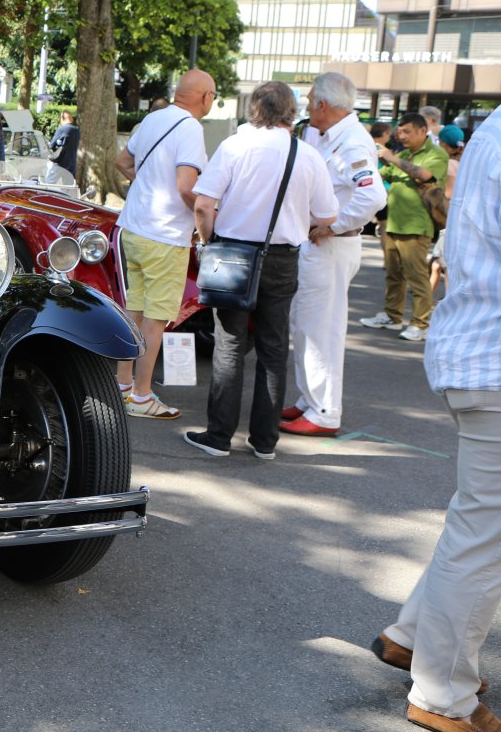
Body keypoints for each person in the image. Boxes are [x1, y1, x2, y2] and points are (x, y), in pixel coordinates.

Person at [368, 75, 501, 732]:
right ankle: (443, 692)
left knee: (481, 525)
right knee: (489, 538)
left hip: (488, 359)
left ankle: (413, 636)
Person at [184, 81, 336, 460]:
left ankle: (219, 436)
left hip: (233, 253)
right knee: (273, 347)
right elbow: (328, 214)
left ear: (254, 108)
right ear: (291, 111)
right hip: (283, 257)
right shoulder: (307, 154)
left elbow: (203, 204)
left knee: (230, 345)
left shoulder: (235, 145)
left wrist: (207, 241)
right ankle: (265, 441)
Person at [278, 73, 387, 439]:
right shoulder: (331, 136)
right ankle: (310, 400)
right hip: (321, 245)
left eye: (311, 102)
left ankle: (324, 411)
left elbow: (373, 196)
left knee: (320, 328)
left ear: (323, 105)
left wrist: (334, 225)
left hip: (331, 246)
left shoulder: (352, 142)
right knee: (306, 325)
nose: (308, 108)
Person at [112, 70, 216, 419]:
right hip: (165, 234)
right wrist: (203, 220)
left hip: (134, 226)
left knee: (134, 310)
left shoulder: (153, 119)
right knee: (156, 319)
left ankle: (123, 383)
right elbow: (187, 187)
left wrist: (147, 185)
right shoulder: (191, 128)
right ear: (205, 97)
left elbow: (122, 162)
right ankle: (142, 395)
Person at [359, 112, 448, 341]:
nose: (402, 136)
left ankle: (420, 324)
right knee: (394, 275)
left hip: (416, 226)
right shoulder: (404, 153)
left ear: (422, 130)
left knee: (417, 278)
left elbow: (424, 175)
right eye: (400, 132)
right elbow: (381, 175)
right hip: (394, 223)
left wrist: (392, 158)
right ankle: (392, 315)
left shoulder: (436, 154)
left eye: (407, 131)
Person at [426, 124, 464, 299]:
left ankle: (447, 302)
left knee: (443, 263)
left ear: (444, 144)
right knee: (437, 264)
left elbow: (448, 193)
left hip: (449, 218)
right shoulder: (462, 162)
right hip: (458, 218)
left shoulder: (449, 164)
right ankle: (428, 299)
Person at [49, 110, 80, 176]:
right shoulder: (77, 130)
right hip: (72, 164)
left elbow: (51, 145)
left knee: (49, 181)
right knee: (68, 182)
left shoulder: (62, 129)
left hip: (60, 163)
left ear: (62, 118)